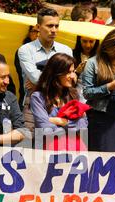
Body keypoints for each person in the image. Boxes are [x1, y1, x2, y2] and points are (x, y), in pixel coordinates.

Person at [17, 8, 73, 136]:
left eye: (56, 26)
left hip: (60, 103)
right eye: (49, 26)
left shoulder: (66, 50)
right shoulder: (25, 50)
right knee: (33, 146)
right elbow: (35, 78)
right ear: (38, 27)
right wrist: (58, 78)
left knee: (61, 144)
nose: (54, 30)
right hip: (33, 104)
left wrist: (40, 82)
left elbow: (68, 78)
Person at [30, 53, 88, 151]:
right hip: (50, 150)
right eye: (68, 72)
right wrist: (71, 126)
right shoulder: (38, 97)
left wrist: (57, 121)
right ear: (56, 74)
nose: (73, 76)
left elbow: (83, 124)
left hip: (76, 148)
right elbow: (45, 128)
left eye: (73, 71)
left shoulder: (73, 94)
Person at [15, 25, 39, 109]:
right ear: (29, 33)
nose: (37, 34)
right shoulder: (22, 51)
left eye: (39, 31)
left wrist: (38, 82)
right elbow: (26, 75)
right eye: (34, 31)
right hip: (26, 95)